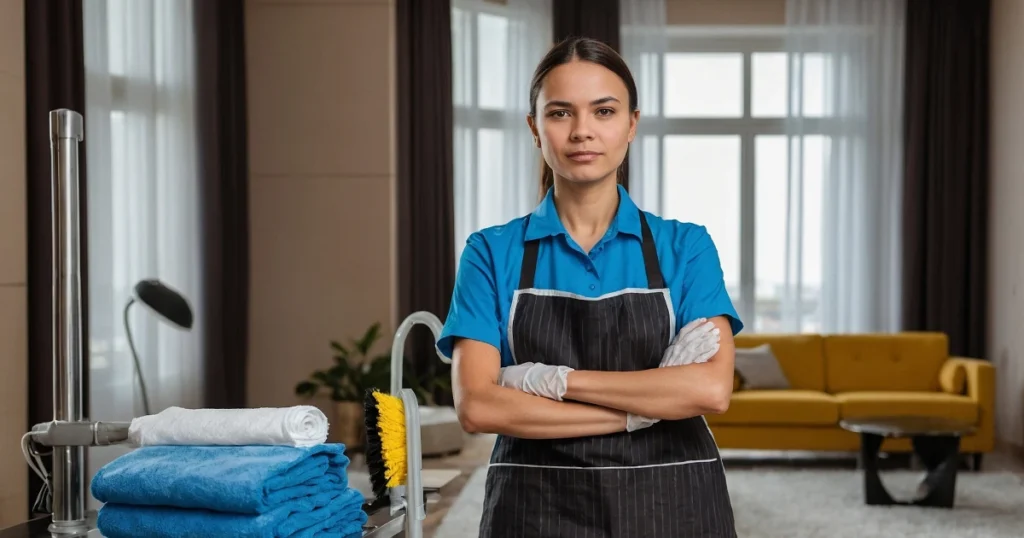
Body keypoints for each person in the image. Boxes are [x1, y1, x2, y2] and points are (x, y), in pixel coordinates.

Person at [435, 36, 744, 538]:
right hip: (535, 507)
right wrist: (638, 412)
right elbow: (479, 406)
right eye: (560, 114)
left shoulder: (685, 246)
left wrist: (549, 379)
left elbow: (710, 389)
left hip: (675, 501)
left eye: (603, 111)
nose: (582, 132)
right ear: (535, 129)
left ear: (631, 125)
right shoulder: (491, 252)